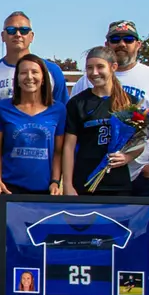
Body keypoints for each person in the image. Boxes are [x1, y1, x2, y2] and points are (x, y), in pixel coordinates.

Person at [0, 12, 69, 295]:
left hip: (40, 182)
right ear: (3, 35)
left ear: (32, 34)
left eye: (24, 29)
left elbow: (59, 146)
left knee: (35, 240)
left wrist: (56, 180)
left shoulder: (53, 76)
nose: (18, 34)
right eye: (12, 29)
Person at [68, 21, 149, 196]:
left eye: (128, 39)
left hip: (140, 175)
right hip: (90, 175)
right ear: (107, 44)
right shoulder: (85, 83)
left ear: (138, 44)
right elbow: (72, 137)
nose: (121, 44)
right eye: (115, 39)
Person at [60, 47, 137, 197]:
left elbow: (139, 142)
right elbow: (68, 147)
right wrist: (68, 184)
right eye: (89, 68)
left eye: (100, 67)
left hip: (118, 184)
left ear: (113, 67)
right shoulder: (77, 103)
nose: (94, 72)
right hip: (85, 182)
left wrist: (129, 157)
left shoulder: (129, 103)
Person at [0, 53, 66, 198]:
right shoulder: (2, 108)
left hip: (45, 189)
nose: (29, 77)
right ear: (17, 79)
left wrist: (55, 181)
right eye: (23, 73)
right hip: (10, 188)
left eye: (35, 72)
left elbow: (58, 152)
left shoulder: (58, 110)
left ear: (43, 78)